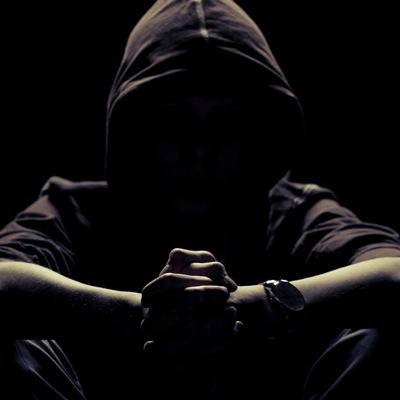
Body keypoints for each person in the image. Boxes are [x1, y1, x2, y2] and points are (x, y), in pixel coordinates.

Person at [1, 0, 399, 398]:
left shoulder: (298, 212)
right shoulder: (75, 210)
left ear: (258, 136)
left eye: (225, 123)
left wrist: (258, 305)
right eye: (174, 120)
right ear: (137, 133)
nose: (200, 149)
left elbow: (392, 271)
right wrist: (139, 312)